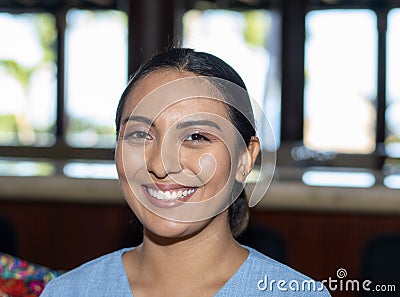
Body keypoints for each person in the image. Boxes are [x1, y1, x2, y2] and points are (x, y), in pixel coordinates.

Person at [41, 48, 331, 296]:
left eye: (196, 137)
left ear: (245, 158)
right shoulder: (68, 291)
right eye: (140, 134)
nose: (160, 164)